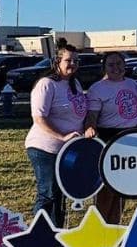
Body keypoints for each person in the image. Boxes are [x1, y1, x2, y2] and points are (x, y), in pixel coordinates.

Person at [24, 43, 95, 228]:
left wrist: (87, 128)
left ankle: (57, 235)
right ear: (57, 62)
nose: (73, 64)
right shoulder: (46, 84)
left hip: (67, 150)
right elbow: (39, 118)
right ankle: (40, 237)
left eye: (76, 61)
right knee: (48, 193)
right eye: (68, 60)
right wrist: (62, 136)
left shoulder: (75, 83)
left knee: (61, 193)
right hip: (45, 148)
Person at [85, 52, 137, 223]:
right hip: (109, 139)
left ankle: (114, 226)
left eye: (119, 64)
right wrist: (91, 127)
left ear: (125, 65)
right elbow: (92, 115)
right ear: (104, 67)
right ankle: (100, 226)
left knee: (122, 187)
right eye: (111, 64)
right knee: (106, 188)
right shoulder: (97, 88)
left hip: (132, 137)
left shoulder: (133, 84)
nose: (116, 68)